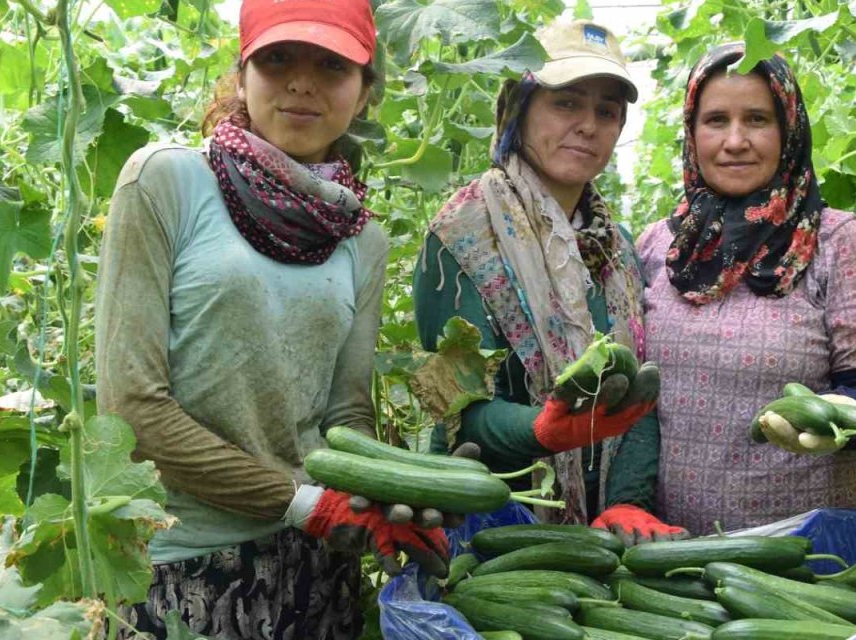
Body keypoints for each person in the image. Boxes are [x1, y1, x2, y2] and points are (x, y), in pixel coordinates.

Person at [95, 1, 447, 637]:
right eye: (278, 57)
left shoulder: (362, 239)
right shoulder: (165, 181)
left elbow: (344, 414)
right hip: (177, 561)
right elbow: (132, 408)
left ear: (364, 92)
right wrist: (300, 502)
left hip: (315, 565)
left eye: (332, 66)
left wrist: (412, 489)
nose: (302, 82)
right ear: (242, 72)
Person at [414, 20, 685, 544]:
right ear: (519, 107)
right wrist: (542, 432)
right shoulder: (459, 239)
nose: (588, 125)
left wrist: (628, 500)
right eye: (566, 102)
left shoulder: (618, 248)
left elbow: (639, 399)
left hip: (596, 541)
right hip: (492, 519)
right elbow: (457, 412)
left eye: (607, 111)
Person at [636, 43, 856, 535]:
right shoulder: (657, 246)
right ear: (692, 134)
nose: (735, 140)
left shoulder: (837, 241)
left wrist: (836, 426)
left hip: (810, 553)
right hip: (671, 553)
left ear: (789, 130)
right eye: (716, 120)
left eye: (757, 119)